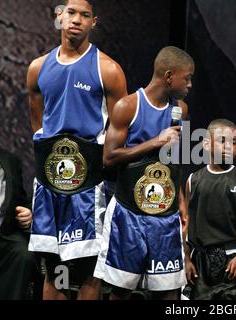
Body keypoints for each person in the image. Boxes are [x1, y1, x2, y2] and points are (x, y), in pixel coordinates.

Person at [26, 0, 127, 300]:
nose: (76, 20)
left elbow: (120, 130)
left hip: (89, 186)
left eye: (85, 15)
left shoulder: (108, 69)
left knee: (87, 272)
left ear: (93, 22)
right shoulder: (38, 68)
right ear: (59, 16)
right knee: (54, 269)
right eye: (71, 12)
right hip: (51, 185)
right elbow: (38, 126)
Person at [93, 46, 194, 300]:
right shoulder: (128, 106)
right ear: (169, 76)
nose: (190, 84)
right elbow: (109, 157)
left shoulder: (180, 109)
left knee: (169, 293)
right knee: (120, 291)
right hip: (129, 215)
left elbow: (173, 162)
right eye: (187, 78)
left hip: (165, 215)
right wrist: (155, 142)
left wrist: (181, 200)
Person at [182, 119, 236, 300]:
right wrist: (186, 259)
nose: (229, 147)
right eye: (222, 141)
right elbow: (186, 223)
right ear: (206, 144)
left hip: (232, 260)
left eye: (234, 142)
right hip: (200, 262)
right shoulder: (193, 180)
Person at [0, 105, 38, 300]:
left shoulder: (9, 161)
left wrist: (27, 214)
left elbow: (20, 200)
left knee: (23, 254)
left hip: (3, 238)